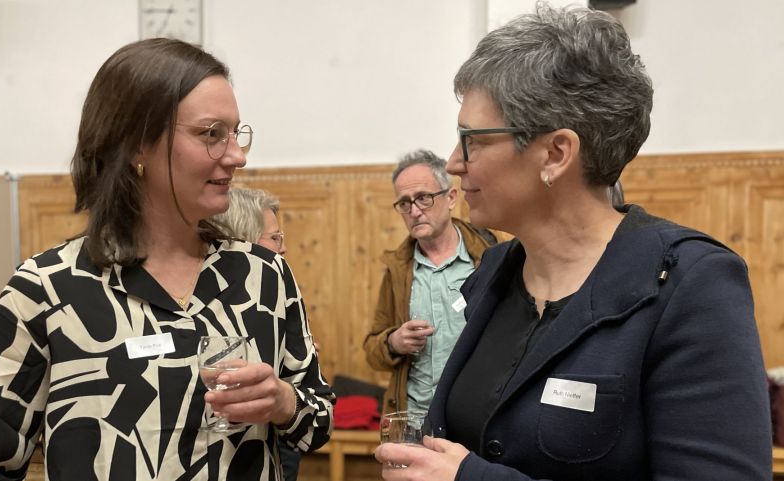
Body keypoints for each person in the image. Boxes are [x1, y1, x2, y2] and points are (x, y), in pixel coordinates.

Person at [374, 4, 771, 480]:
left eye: (471, 139)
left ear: (556, 153)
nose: (454, 162)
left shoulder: (690, 284)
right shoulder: (493, 274)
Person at [0, 38, 333, 481]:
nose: (237, 155)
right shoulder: (44, 291)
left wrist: (283, 403)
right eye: (211, 134)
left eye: (236, 132)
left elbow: (317, 423)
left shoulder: (263, 277)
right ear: (135, 146)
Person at [363, 149, 492, 416]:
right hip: (415, 419)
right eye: (405, 203)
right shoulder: (398, 269)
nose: (415, 211)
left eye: (423, 198)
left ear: (451, 197)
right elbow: (372, 349)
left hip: (475, 418)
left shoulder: (489, 255)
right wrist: (394, 342)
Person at [211, 186, 304, 481]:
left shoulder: (276, 295)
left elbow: (313, 402)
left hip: (272, 447)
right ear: (244, 239)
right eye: (275, 238)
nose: (283, 248)